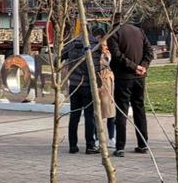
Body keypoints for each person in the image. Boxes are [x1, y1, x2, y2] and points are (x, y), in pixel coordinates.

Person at [108, 12, 153, 157]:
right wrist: (143, 66)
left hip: (124, 77)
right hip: (140, 77)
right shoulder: (139, 31)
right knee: (139, 109)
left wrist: (134, 67)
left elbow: (117, 56)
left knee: (122, 111)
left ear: (112, 21)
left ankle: (120, 147)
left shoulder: (113, 34)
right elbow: (149, 52)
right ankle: (143, 144)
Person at [62, 31, 101, 154]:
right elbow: (95, 68)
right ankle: (90, 145)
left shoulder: (72, 44)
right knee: (89, 116)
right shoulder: (94, 45)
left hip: (74, 84)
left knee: (74, 116)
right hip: (87, 85)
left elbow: (61, 56)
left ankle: (72, 145)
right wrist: (98, 83)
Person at [96, 26, 116, 147]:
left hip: (107, 82)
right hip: (97, 82)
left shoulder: (108, 51)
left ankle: (111, 138)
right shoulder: (93, 51)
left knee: (110, 111)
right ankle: (97, 137)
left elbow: (109, 61)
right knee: (97, 111)